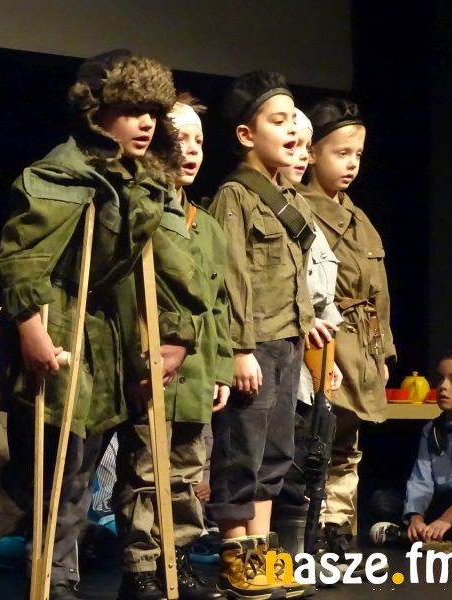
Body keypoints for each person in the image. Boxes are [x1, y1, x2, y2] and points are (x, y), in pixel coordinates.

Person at [0, 49, 206, 600]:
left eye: (152, 112)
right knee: (47, 470)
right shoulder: (60, 173)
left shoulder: (149, 181)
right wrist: (30, 329)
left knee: (88, 468)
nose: (145, 123)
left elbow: (173, 266)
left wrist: (177, 335)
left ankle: (62, 576)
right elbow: (23, 259)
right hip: (63, 326)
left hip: (114, 337)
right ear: (96, 111)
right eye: (130, 110)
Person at [112, 95, 231, 600]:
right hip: (153, 366)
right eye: (180, 139)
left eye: (199, 140)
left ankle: (175, 559)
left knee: (186, 472)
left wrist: (222, 368)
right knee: (146, 469)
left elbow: (219, 304)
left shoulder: (207, 226)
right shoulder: (141, 210)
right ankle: (142, 566)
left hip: (197, 374)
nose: (192, 150)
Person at [206, 71, 319, 600]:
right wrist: (239, 349)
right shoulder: (236, 195)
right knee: (241, 453)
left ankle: (262, 554)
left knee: (275, 453)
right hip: (254, 345)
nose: (293, 129)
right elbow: (231, 278)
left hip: (286, 341)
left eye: (294, 119)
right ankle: (237, 557)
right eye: (279, 120)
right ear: (247, 135)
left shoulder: (287, 194)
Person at [299, 98, 397, 560]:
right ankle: (313, 529)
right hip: (326, 341)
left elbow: (380, 293)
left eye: (357, 154)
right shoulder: (299, 210)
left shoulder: (360, 220)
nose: (352, 164)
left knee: (347, 447)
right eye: (341, 153)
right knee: (317, 441)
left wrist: (384, 355)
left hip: (363, 346)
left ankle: (337, 527)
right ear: (312, 152)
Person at [275, 109, 343, 514]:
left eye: (306, 146)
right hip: (280, 354)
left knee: (307, 465)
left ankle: (301, 543)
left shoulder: (304, 214)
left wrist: (328, 362)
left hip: (312, 363)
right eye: (294, 145)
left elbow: (324, 296)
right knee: (279, 467)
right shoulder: (256, 207)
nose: (302, 155)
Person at [369, 351, 452, 547]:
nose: (443, 386)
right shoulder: (431, 429)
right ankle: (438, 533)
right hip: (439, 504)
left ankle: (413, 536)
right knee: (382, 500)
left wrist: (447, 518)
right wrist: (415, 516)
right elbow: (421, 478)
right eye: (440, 379)